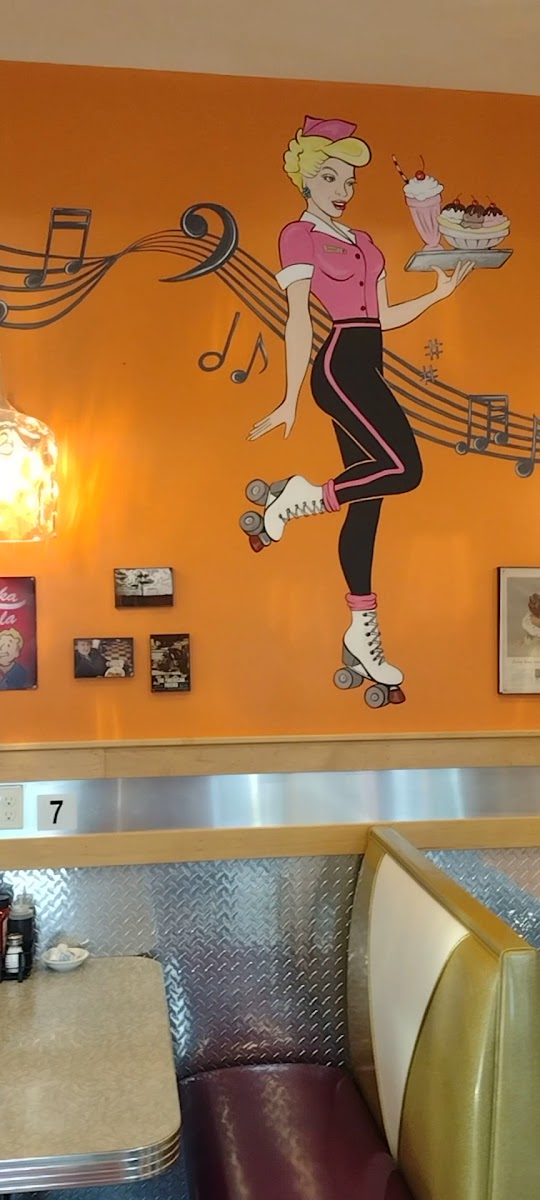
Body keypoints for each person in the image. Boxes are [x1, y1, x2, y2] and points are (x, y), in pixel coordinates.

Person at [246, 114, 473, 696]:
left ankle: (361, 634)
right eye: (330, 177)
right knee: (406, 470)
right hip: (339, 366)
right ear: (305, 179)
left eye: (348, 181)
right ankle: (299, 499)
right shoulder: (298, 236)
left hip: (369, 361)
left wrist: (439, 294)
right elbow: (299, 319)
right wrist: (289, 397)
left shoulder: (367, 242)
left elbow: (384, 317)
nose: (342, 190)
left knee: (368, 502)